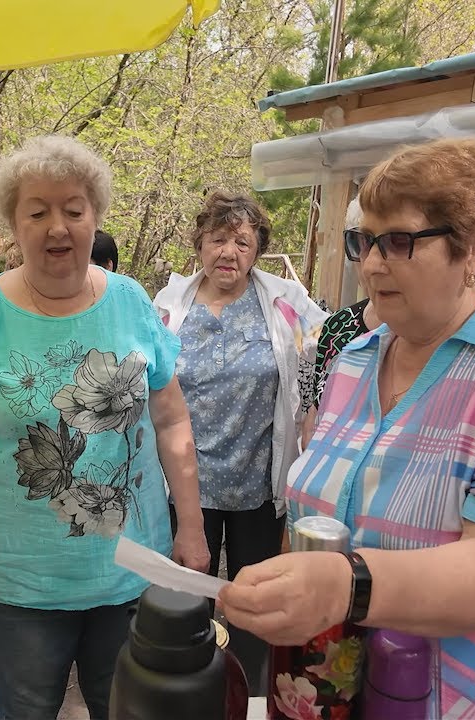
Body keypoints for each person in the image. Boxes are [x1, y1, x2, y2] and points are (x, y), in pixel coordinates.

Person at [218, 139, 475, 719]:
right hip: (350, 690)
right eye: (364, 241)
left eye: (400, 241)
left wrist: (344, 586)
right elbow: (320, 512)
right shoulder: (356, 359)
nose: (373, 263)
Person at [0, 135, 210, 720]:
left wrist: (193, 528)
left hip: (133, 569)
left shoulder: (131, 302)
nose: (58, 227)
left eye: (73, 210)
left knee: (130, 708)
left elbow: (171, 417)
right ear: (13, 223)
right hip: (20, 587)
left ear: (94, 216)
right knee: (26, 709)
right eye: (38, 211)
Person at [151, 190, 327, 693]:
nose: (229, 251)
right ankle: (187, 696)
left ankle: (247, 695)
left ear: (258, 249)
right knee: (184, 606)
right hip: (185, 488)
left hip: (258, 486)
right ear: (200, 244)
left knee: (256, 606)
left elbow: (329, 351)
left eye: (243, 242)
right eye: (219, 239)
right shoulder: (168, 306)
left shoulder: (285, 303)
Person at [298, 198, 379, 446]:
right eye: (360, 243)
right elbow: (313, 420)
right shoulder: (338, 326)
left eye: (395, 243)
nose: (372, 263)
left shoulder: (437, 341)